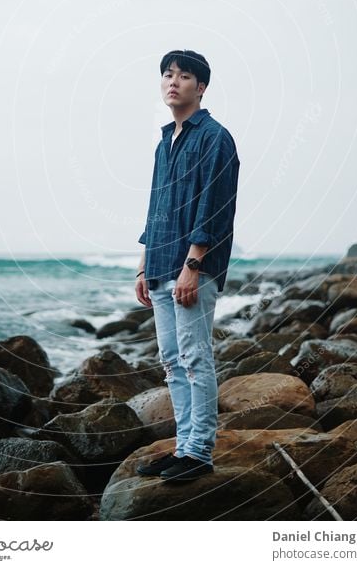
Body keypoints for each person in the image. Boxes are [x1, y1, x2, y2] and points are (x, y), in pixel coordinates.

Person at [135, 49, 240, 482]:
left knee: (196, 357)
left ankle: (199, 452)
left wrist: (192, 265)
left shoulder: (215, 137)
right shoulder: (166, 141)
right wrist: (144, 266)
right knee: (172, 360)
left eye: (183, 76)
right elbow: (157, 207)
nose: (172, 81)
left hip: (193, 266)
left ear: (201, 86)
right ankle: (183, 448)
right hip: (161, 263)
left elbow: (214, 207)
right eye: (167, 74)